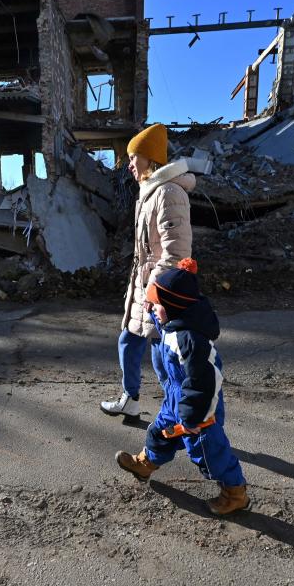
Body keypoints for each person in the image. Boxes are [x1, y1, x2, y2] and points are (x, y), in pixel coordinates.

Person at [114, 258, 250, 516]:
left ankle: (235, 492)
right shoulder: (174, 323)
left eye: (155, 304)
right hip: (177, 399)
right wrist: (153, 306)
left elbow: (203, 382)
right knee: (161, 432)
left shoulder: (190, 340)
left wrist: (193, 417)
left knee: (209, 453)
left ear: (172, 307)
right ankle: (145, 464)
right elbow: (164, 315)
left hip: (200, 410)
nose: (151, 307)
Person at [100, 124, 194, 419]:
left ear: (150, 158)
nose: (128, 164)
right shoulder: (149, 192)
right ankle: (131, 399)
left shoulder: (169, 193)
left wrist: (155, 292)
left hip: (159, 291)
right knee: (128, 339)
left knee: (161, 357)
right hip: (144, 288)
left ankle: (180, 417)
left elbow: (177, 253)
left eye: (133, 157)